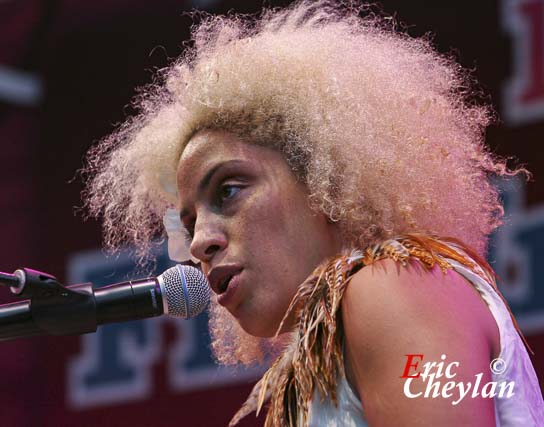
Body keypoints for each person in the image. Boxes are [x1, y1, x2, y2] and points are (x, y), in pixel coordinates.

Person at [82, 1, 544, 425]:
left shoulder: (390, 285)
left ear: (327, 182)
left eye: (228, 191)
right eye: (188, 225)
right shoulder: (330, 346)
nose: (200, 242)